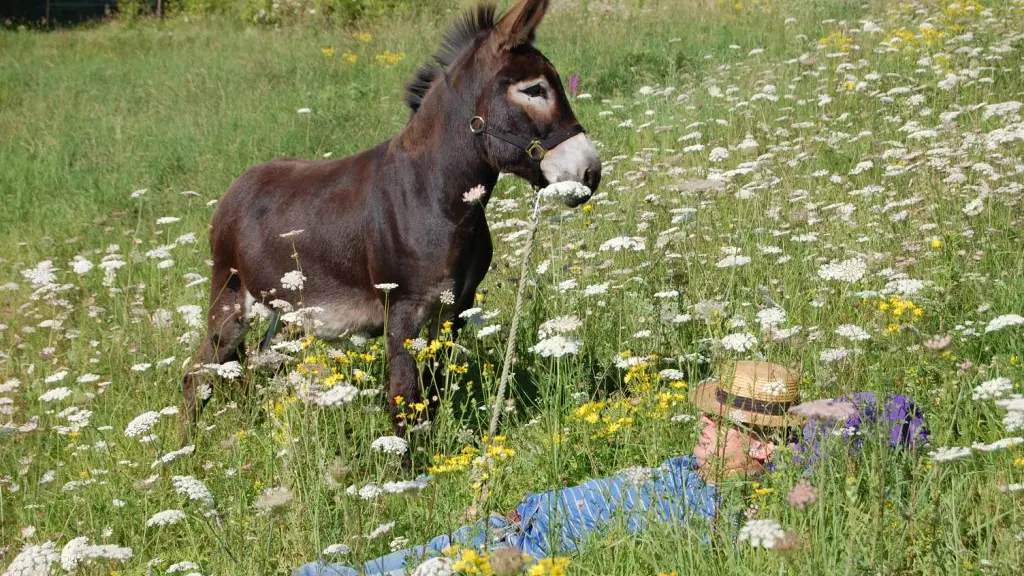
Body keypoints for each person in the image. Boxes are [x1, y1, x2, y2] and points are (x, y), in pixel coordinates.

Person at [294, 361, 928, 576]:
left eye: (723, 427)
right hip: (505, 527)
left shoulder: (726, 516)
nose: (703, 430)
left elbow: (889, 419)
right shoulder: (694, 470)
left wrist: (811, 436)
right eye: (707, 419)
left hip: (514, 555)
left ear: (762, 450)